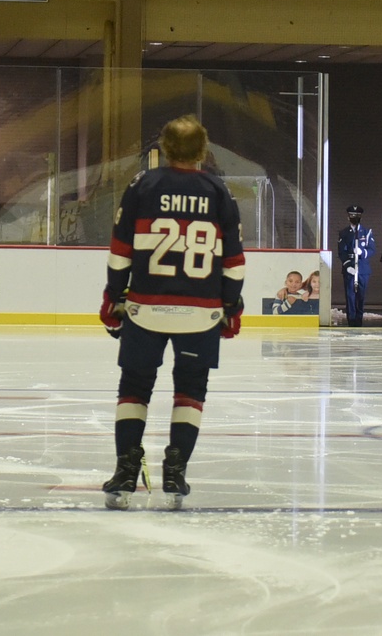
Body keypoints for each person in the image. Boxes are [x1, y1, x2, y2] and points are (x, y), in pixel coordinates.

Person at [99, 115, 245, 510]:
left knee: (134, 388)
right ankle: (176, 469)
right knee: (191, 391)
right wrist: (232, 304)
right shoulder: (219, 191)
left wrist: (114, 297)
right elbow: (233, 260)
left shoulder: (141, 186)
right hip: (201, 313)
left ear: (164, 147)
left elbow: (119, 253)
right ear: (202, 149)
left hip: (145, 309)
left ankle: (127, 470)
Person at [337, 205, 375, 327]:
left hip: (363, 268)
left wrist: (362, 252)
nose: (354, 218)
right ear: (348, 217)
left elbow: (372, 249)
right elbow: (342, 252)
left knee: (361, 296)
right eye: (352, 216)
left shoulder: (367, 232)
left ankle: (359, 320)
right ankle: (351, 321)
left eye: (356, 216)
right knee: (350, 296)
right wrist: (348, 265)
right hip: (350, 267)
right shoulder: (344, 233)